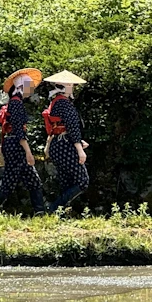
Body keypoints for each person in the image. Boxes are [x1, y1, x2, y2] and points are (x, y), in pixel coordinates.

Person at [0, 67, 49, 215]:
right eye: (29, 87)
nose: (31, 90)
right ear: (21, 87)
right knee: (9, 180)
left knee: (33, 180)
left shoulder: (14, 102)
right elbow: (19, 131)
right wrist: (28, 152)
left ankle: (40, 211)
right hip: (16, 146)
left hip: (12, 144)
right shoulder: (16, 103)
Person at [42, 70, 90, 210]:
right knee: (82, 181)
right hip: (65, 145)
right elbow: (72, 127)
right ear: (66, 85)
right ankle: (54, 208)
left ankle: (60, 212)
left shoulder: (55, 102)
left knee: (66, 181)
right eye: (71, 84)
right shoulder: (64, 104)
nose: (73, 87)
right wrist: (80, 150)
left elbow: (59, 127)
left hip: (57, 144)